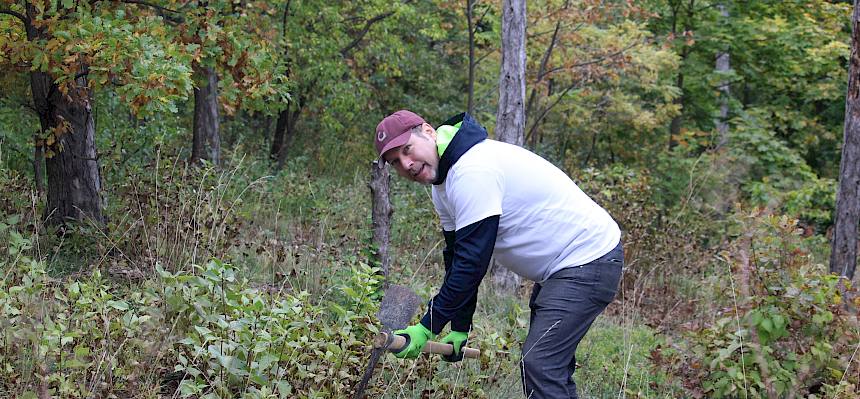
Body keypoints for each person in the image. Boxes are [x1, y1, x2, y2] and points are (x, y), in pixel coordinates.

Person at [375, 109, 623, 399]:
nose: (406, 164)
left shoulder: (472, 170)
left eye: (407, 150)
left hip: (587, 259)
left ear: (428, 132)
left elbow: (472, 263)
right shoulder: (443, 184)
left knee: (541, 363)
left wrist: (427, 327)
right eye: (396, 162)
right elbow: (457, 258)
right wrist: (459, 326)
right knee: (548, 367)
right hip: (562, 269)